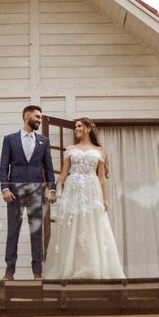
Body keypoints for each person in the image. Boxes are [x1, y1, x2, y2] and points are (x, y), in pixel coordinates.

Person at [43, 117, 126, 279]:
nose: (76, 129)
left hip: (91, 189)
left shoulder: (99, 151)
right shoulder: (70, 148)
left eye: (79, 126)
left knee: (91, 225)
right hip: (73, 189)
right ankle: (71, 267)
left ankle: (92, 267)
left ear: (88, 128)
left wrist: (104, 198)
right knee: (73, 225)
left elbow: (101, 177)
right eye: (75, 127)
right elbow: (64, 172)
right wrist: (54, 190)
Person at [0, 105, 56, 280]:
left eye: (40, 117)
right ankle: (9, 272)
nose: (40, 120)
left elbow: (48, 167)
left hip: (36, 192)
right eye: (37, 117)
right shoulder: (9, 139)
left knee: (36, 232)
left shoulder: (44, 141)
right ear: (27, 116)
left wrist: (52, 189)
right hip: (14, 192)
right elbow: (3, 166)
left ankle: (37, 272)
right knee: (13, 232)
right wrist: (5, 188)